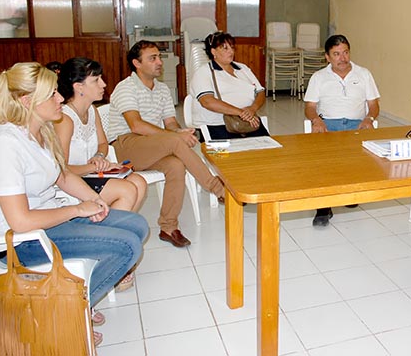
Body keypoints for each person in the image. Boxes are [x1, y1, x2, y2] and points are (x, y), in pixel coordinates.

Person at [0, 62, 148, 346]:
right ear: (27, 101)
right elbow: (19, 221)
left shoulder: (40, 131)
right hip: (22, 240)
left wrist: (94, 200)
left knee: (137, 225)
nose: (60, 98)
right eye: (52, 95)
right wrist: (76, 210)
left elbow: (62, 176)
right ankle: (68, 312)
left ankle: (78, 298)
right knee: (127, 246)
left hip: (50, 219)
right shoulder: (4, 144)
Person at [107, 41, 225, 248]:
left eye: (159, 57)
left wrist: (179, 131)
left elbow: (170, 123)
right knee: (174, 141)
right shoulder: (125, 88)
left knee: (175, 165)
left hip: (151, 144)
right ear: (137, 63)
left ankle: (168, 227)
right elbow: (136, 125)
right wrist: (173, 137)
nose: (159, 62)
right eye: (152, 58)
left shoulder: (162, 89)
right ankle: (218, 189)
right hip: (124, 146)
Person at [304, 34, 380, 226]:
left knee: (359, 159)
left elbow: (374, 104)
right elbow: (310, 107)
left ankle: (350, 193)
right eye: (336, 54)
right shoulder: (319, 77)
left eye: (345, 52)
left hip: (357, 124)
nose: (342, 58)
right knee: (323, 162)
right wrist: (316, 120)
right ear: (327, 57)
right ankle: (323, 207)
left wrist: (369, 118)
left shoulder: (364, 74)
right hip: (328, 124)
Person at [55, 57, 147, 212]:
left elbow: (103, 144)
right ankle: (112, 233)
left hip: (90, 174)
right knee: (126, 189)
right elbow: (60, 169)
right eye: (96, 80)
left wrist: (99, 156)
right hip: (71, 183)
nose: (103, 84)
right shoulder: (65, 119)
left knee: (139, 182)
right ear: (79, 87)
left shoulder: (92, 110)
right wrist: (93, 168)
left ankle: (121, 231)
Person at [190, 32, 268, 138]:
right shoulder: (204, 72)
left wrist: (252, 109)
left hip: (248, 122)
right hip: (218, 125)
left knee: (268, 150)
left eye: (232, 47)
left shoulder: (243, 69)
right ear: (213, 52)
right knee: (238, 153)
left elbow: (260, 92)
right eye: (225, 48)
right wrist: (241, 113)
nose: (231, 51)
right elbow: (207, 101)